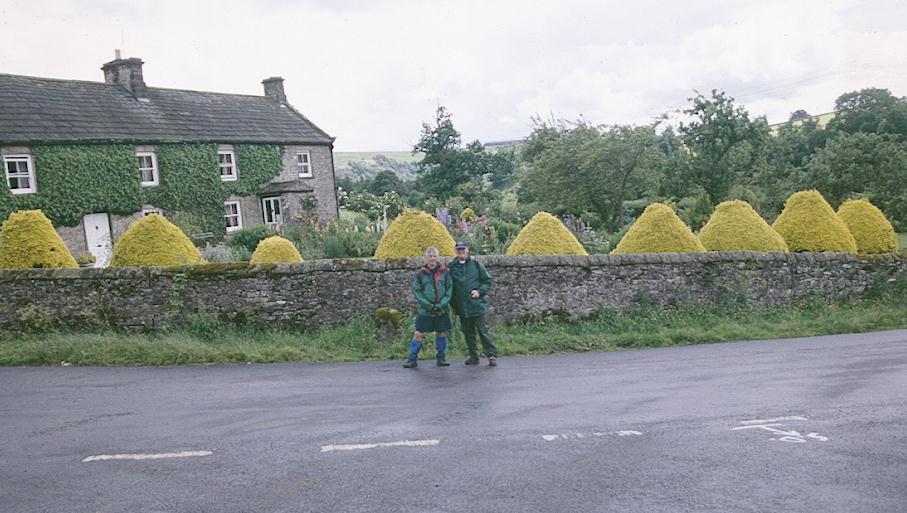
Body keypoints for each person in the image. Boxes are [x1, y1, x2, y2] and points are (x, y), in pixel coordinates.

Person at [449, 241, 497, 366]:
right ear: (456, 251)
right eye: (459, 250)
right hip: (462, 307)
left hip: (477, 305)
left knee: (483, 331)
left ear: (467, 250)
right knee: (468, 333)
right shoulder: (452, 267)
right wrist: (453, 305)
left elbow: (487, 281)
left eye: (463, 249)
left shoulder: (476, 264)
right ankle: (473, 356)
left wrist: (479, 292)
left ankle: (491, 355)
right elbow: (450, 287)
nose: (461, 252)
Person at [404, 247, 453, 368]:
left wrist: (442, 304)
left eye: (434, 256)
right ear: (426, 257)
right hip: (425, 310)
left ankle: (441, 358)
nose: (432, 259)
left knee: (441, 332)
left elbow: (449, 289)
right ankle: (412, 359)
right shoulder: (420, 274)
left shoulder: (444, 272)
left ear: (437, 257)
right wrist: (428, 305)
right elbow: (417, 291)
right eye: (430, 256)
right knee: (418, 333)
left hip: (441, 309)